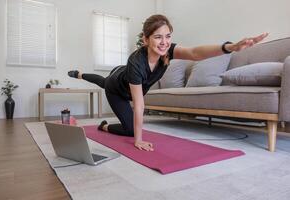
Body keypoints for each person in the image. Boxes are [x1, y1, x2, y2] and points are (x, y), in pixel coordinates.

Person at [68, 14, 268, 151]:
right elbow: (139, 105)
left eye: (167, 36)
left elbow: (195, 53)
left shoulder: (168, 51)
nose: (164, 42)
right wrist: (139, 140)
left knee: (107, 84)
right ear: (145, 40)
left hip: (125, 76)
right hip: (116, 87)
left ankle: (83, 76)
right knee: (105, 84)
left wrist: (231, 47)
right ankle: (86, 85)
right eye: (157, 37)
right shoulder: (137, 62)